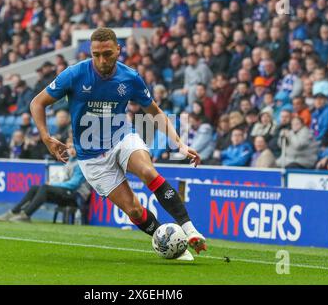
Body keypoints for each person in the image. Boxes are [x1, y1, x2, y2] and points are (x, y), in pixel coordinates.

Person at [30, 28, 206, 259]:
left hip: (121, 137)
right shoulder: (74, 74)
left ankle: (190, 230)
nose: (102, 60)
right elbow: (37, 103)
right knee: (133, 209)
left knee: (148, 171)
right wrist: (45, 136)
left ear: (118, 50)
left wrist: (180, 144)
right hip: (91, 157)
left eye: (107, 54)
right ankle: (171, 245)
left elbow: (154, 112)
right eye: (96, 54)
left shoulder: (130, 77)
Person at [0, 142, 92, 222]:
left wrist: (52, 184)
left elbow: (73, 185)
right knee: (35, 188)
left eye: (74, 147)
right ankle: (14, 211)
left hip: (77, 196)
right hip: (67, 193)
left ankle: (26, 215)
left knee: (45, 187)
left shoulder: (80, 163)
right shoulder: (70, 161)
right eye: (69, 147)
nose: (71, 150)